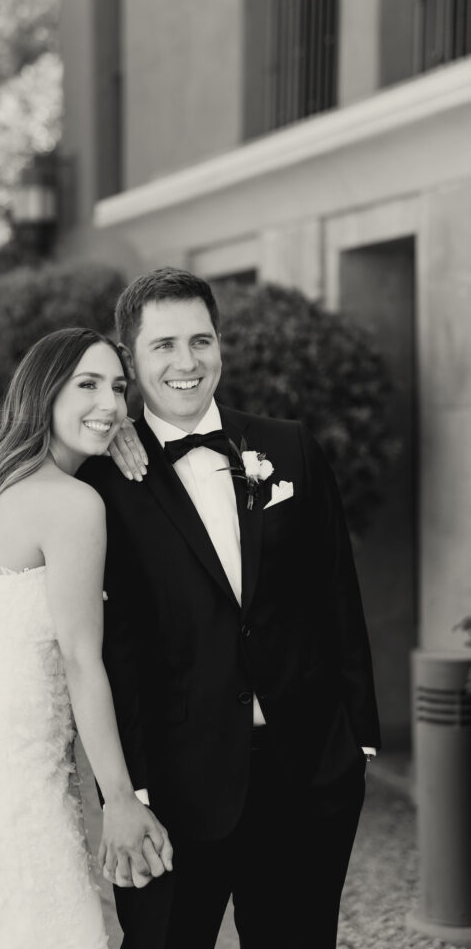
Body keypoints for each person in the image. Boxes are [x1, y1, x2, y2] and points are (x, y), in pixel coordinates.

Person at [79, 269, 381, 949]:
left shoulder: (288, 446)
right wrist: (127, 795)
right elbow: (109, 650)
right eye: (161, 346)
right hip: (176, 787)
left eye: (200, 340)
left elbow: (335, 590)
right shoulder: (100, 482)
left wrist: (356, 738)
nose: (185, 363)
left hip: (306, 772)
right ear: (130, 358)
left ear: (220, 345)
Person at [0, 328, 173, 949]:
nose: (109, 404)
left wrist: (115, 435)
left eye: (118, 388)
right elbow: (81, 660)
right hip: (16, 774)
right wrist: (120, 799)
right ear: (43, 393)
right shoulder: (72, 504)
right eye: (86, 385)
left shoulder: (5, 486)